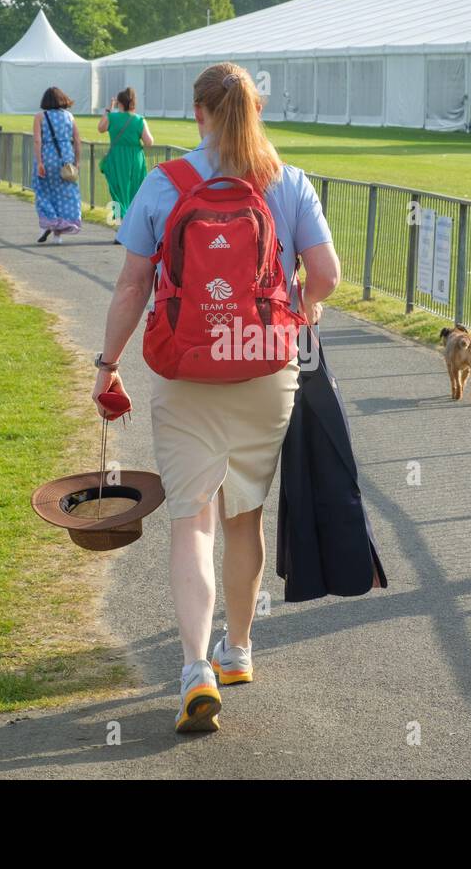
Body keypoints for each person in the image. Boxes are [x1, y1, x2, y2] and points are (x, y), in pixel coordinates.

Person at [93, 62, 340, 733]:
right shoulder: (287, 181)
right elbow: (326, 275)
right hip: (264, 369)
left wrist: (107, 365)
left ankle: (195, 669)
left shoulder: (164, 183)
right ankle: (240, 650)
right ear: (254, 111)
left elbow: (131, 287)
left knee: (191, 519)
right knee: (244, 516)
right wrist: (298, 316)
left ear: (198, 113)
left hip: (185, 368)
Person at [97, 87, 153, 229]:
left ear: (119, 103)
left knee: (116, 192)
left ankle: (118, 225)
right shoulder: (139, 120)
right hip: (135, 159)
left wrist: (108, 110)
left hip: (116, 158)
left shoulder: (112, 117)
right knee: (134, 192)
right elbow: (149, 142)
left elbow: (101, 128)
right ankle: (131, 226)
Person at [32, 86, 83, 244]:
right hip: (66, 157)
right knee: (65, 194)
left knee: (44, 191)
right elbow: (77, 140)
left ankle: (50, 222)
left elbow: (37, 140)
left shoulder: (40, 116)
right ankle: (58, 235)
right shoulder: (69, 116)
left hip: (47, 156)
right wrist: (77, 161)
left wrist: (40, 161)